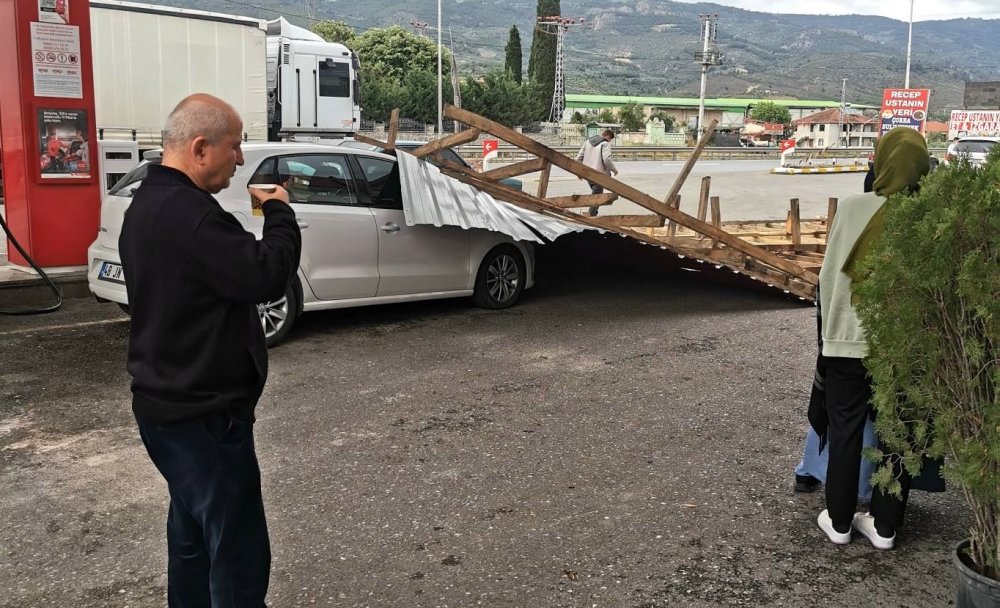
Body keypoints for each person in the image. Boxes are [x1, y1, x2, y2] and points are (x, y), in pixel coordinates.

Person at [119, 93, 301, 606]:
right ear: (201, 148)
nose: (241, 159)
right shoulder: (194, 217)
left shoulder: (149, 202)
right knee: (238, 555)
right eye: (235, 146)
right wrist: (279, 212)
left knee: (193, 541)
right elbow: (265, 274)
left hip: (166, 409)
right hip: (203, 417)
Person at [815, 127, 930, 550]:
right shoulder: (930, 214)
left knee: (845, 433)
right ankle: (884, 528)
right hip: (907, 349)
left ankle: (840, 522)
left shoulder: (851, 208)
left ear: (878, 163)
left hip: (847, 342)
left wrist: (828, 337)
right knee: (899, 434)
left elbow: (828, 279)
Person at [575, 129, 618, 217]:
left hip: (587, 173)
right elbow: (607, 160)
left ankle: (592, 214)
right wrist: (614, 170)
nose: (610, 141)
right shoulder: (605, 144)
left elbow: (578, 158)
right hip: (598, 174)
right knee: (597, 195)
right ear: (608, 137)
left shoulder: (587, 142)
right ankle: (591, 215)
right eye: (610, 140)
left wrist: (579, 172)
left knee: (596, 193)